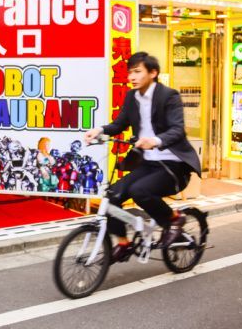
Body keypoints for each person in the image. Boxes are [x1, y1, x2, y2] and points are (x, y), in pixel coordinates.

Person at [84, 52, 201, 263]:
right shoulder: (132, 97)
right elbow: (119, 124)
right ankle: (123, 243)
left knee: (140, 191)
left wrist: (154, 140)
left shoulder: (169, 96)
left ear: (153, 73)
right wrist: (99, 130)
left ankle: (175, 220)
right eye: (130, 72)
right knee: (112, 196)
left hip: (173, 165)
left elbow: (177, 130)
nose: (132, 77)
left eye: (137, 72)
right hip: (148, 163)